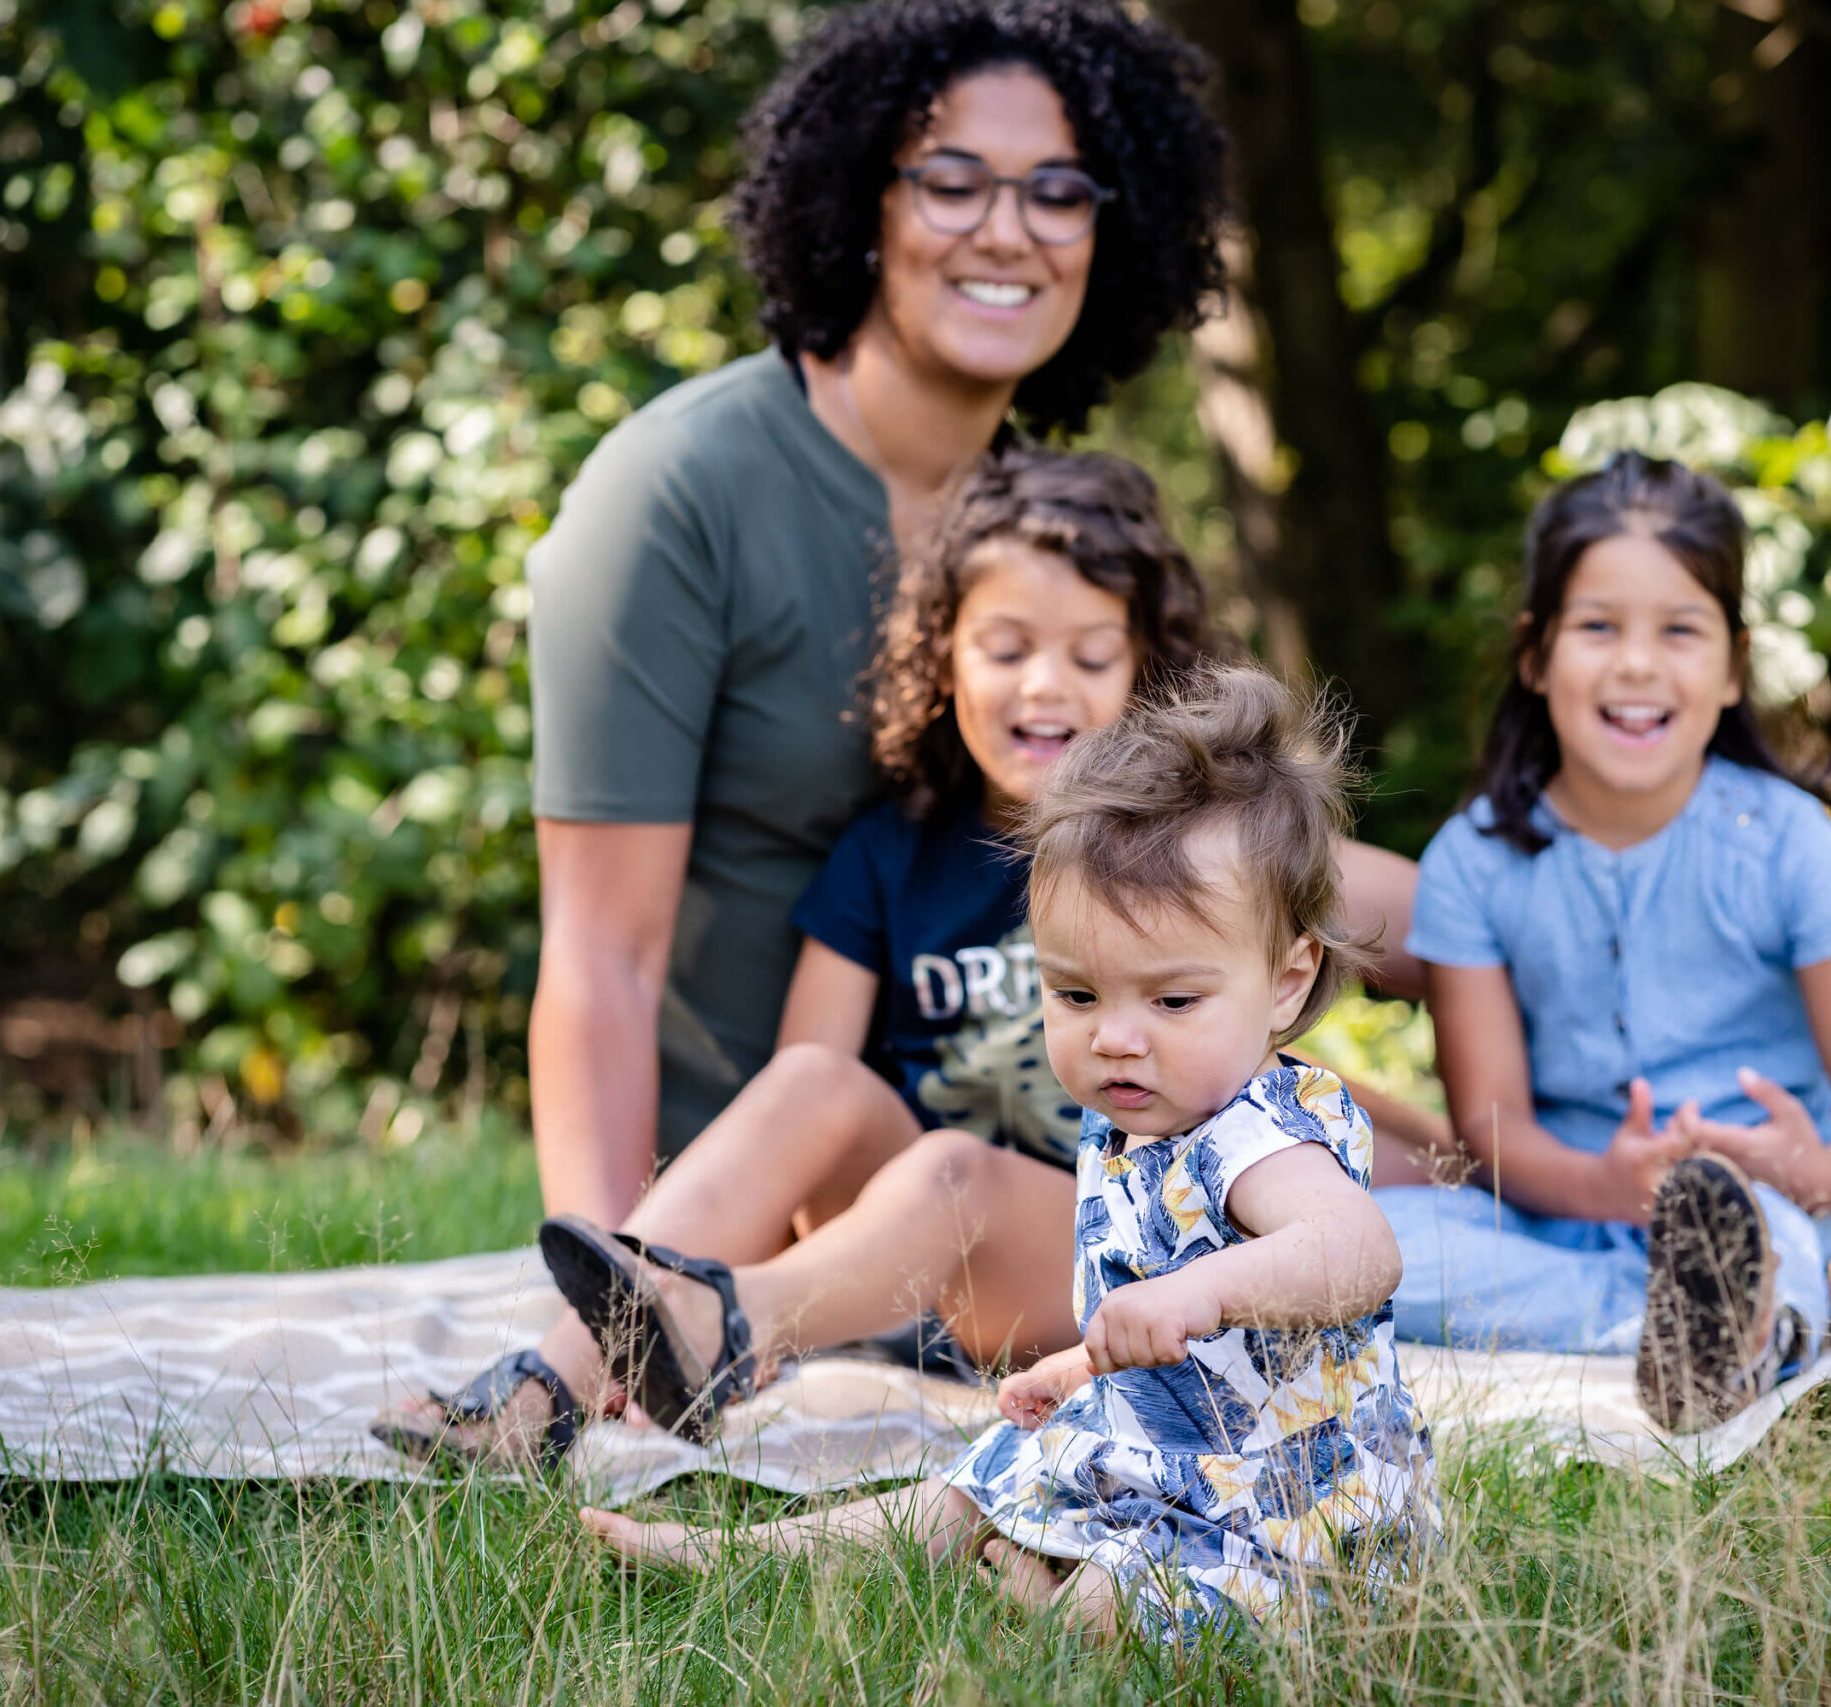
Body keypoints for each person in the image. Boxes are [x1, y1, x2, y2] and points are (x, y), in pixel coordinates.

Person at [523, 0, 1234, 1233]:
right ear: (863, 205)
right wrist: (615, 1297)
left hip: (1035, 1179)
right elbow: (601, 957)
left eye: (1059, 191)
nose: (1007, 232)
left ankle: (1608, 1193)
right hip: (748, 1205)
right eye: (952, 182)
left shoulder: (1053, 539)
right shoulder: (676, 492)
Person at [375, 449, 1208, 1468]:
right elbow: (801, 1108)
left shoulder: (1180, 855)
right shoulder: (887, 855)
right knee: (820, 1081)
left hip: (1101, 1260)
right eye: (1005, 647)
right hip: (902, 1272)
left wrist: (1442, 1139)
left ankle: (720, 1329)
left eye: (1090, 656)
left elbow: (1377, 936)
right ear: (945, 657)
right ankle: (561, 1380)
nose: (1046, 685)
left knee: (954, 1170)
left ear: (1144, 673)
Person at [575, 667, 1438, 1643]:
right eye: (1076, 996)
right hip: (1166, 1454)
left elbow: (1358, 1250)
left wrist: (1197, 1297)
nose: (1116, 1037)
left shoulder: (1255, 1134)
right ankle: (743, 1558)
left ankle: (1052, 1596)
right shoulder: (1137, 1121)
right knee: (970, 1485)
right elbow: (1166, 1310)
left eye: (1172, 1001)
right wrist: (1081, 1367)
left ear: (1284, 987)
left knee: (1121, 1607)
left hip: (1278, 1505)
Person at [1372, 451, 1831, 1431]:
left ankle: (1761, 1298)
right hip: (1566, 1215)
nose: (1635, 664)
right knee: (1363, 1248)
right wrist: (1604, 1184)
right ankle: (1715, 1326)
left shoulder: (1787, 843)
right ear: (1535, 656)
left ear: (1731, 668)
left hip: (1774, 1203)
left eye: (1678, 630)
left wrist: (1817, 1172)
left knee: (1781, 1241)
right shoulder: (1473, 863)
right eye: (1597, 628)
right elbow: (1492, 1133)